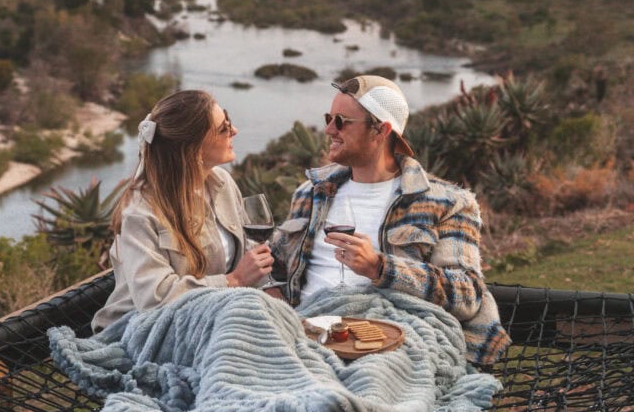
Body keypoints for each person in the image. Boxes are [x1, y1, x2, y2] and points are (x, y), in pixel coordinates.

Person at [271, 75, 510, 367]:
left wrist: (380, 267)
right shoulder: (311, 193)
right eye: (328, 118)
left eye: (341, 121)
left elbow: (467, 294)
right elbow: (274, 267)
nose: (329, 129)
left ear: (381, 131)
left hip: (387, 343)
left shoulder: (447, 203)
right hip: (305, 335)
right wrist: (269, 289)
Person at [92, 89, 273, 332]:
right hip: (143, 329)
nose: (234, 131)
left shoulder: (222, 184)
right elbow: (154, 300)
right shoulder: (139, 212)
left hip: (209, 318)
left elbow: (246, 256)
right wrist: (234, 281)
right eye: (223, 128)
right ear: (194, 149)